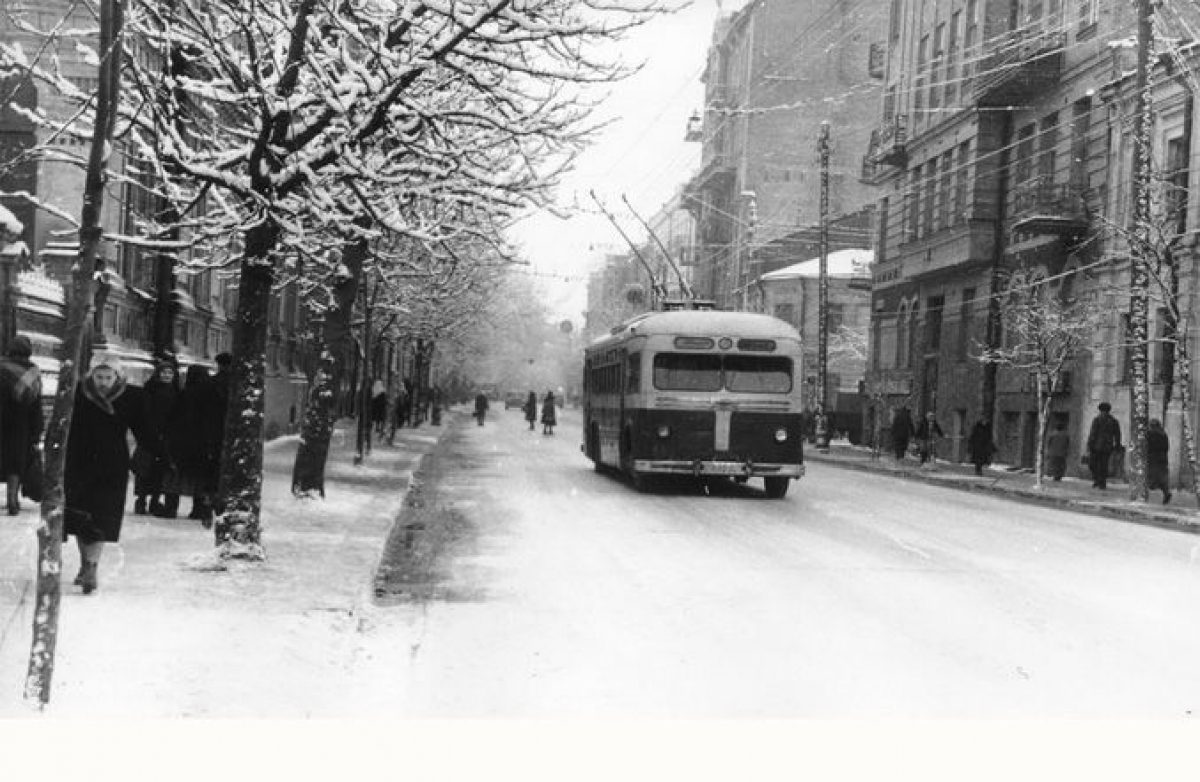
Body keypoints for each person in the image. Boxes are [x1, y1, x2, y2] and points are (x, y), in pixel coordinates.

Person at [64, 354, 146, 594]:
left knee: (100, 517)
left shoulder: (131, 397)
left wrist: (159, 454)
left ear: (117, 377)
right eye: (98, 376)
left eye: (108, 377)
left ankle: (91, 566)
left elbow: (144, 429)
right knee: (81, 517)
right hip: (79, 462)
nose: (102, 382)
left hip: (112, 466)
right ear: (91, 375)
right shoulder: (78, 393)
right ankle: (85, 563)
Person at [168, 365, 221, 523]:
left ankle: (171, 507)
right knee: (200, 479)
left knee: (176, 477)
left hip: (182, 442)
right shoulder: (212, 395)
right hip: (203, 443)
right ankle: (199, 509)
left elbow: (174, 417)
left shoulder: (184, 394)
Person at [0, 335, 43, 514]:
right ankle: (12, 501)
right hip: (21, 425)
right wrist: (36, 431)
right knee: (15, 464)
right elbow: (36, 405)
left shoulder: (1, 368)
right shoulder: (32, 373)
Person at [134, 356, 181, 518]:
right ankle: (141, 501)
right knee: (144, 469)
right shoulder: (150, 389)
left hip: (167, 436)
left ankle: (155, 500)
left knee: (160, 471)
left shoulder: (176, 391)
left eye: (170, 373)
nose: (167, 376)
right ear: (158, 374)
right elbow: (144, 412)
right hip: (150, 434)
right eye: (164, 373)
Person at [1086, 401, 1122, 490]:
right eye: (1102, 411)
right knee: (1095, 464)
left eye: (1104, 411)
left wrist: (1117, 445)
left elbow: (1117, 434)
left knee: (1101, 465)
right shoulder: (1099, 420)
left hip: (1102, 446)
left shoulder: (1111, 421)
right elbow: (1093, 433)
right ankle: (1098, 480)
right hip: (1100, 446)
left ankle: (1101, 482)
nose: (1103, 413)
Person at [1147, 418, 1172, 504]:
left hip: (1153, 459)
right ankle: (1166, 493)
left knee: (1151, 479)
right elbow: (1166, 447)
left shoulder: (1150, 434)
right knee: (1161, 478)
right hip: (1163, 459)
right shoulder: (1163, 434)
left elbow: (1148, 446)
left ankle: (1143, 495)